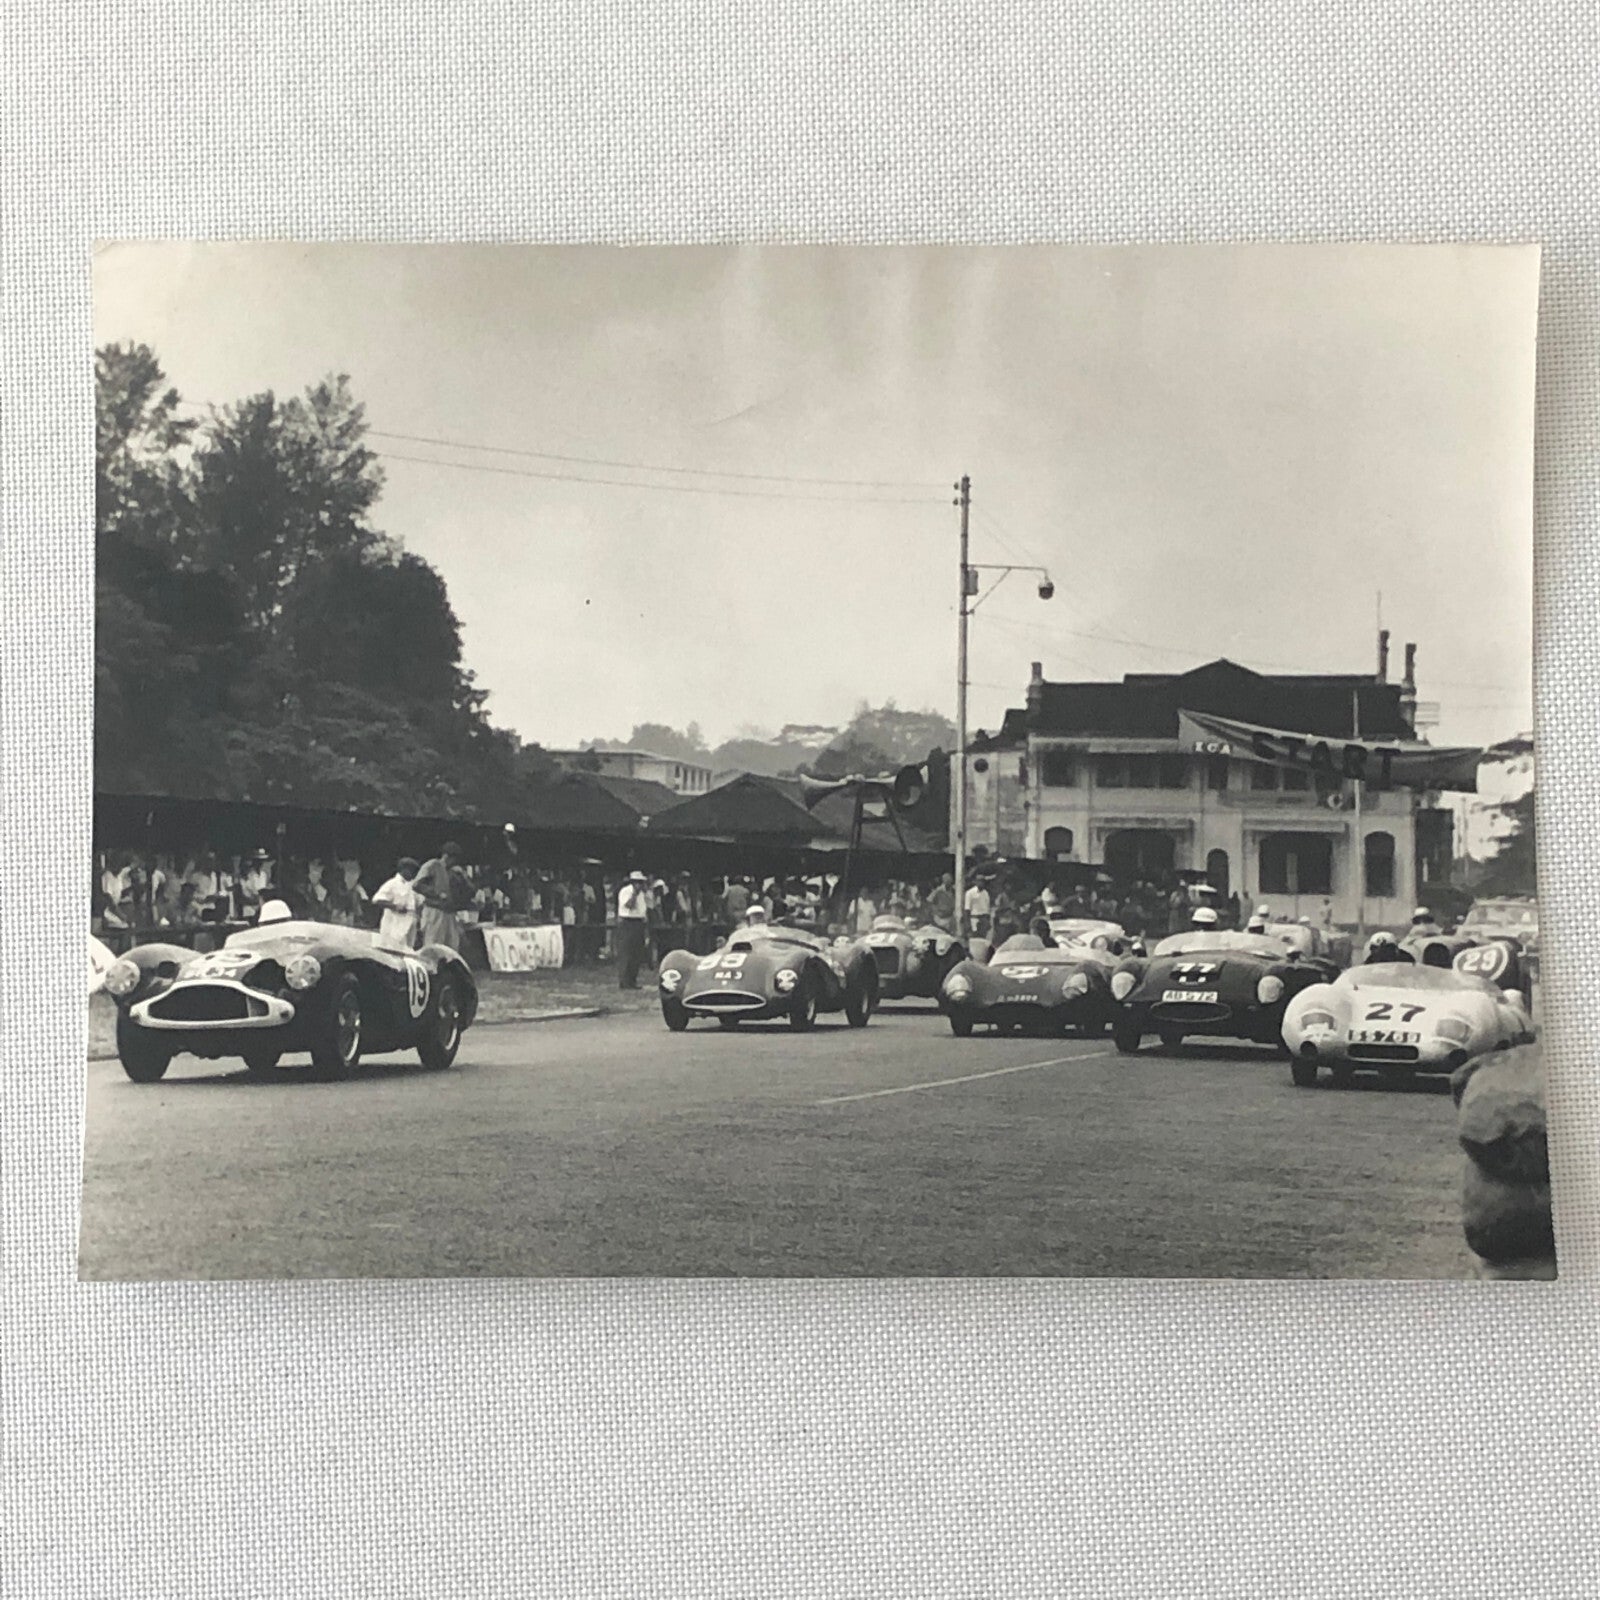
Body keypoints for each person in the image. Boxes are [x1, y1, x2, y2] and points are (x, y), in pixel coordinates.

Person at [412, 842, 465, 951]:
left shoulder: (453, 871)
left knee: (452, 945)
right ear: (446, 856)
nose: (454, 862)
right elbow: (417, 884)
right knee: (434, 944)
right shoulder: (433, 865)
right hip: (434, 909)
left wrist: (462, 876)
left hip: (449, 912)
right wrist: (436, 894)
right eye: (452, 858)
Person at [373, 856, 421, 947]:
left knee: (408, 950)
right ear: (404, 870)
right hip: (394, 924)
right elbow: (377, 900)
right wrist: (395, 906)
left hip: (409, 923)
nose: (413, 874)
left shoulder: (412, 886)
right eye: (411, 870)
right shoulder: (392, 884)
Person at [615, 869, 651, 989]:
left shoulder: (642, 894)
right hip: (627, 922)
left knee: (636, 953)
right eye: (638, 882)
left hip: (638, 922)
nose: (640, 885)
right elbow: (628, 906)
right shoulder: (626, 891)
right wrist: (634, 894)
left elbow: (644, 909)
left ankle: (632, 980)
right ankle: (624, 981)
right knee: (626, 952)